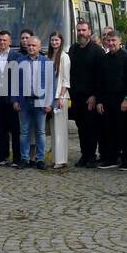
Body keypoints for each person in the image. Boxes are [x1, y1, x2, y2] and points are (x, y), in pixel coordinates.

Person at [95, 29, 127, 170]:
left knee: (123, 130)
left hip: (121, 99)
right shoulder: (104, 59)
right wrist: (99, 101)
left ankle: (125, 160)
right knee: (109, 130)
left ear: (120, 41)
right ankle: (111, 158)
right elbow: (99, 82)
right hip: (107, 99)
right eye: (109, 40)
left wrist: (126, 99)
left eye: (114, 40)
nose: (111, 43)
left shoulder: (126, 58)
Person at [13, 34, 54, 168]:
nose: (31, 47)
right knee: (24, 132)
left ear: (39, 47)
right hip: (24, 101)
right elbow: (14, 83)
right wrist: (15, 100)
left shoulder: (47, 62)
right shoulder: (19, 61)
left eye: (34, 45)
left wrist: (49, 103)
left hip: (40, 101)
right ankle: (24, 158)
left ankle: (40, 159)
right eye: (29, 45)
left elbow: (51, 84)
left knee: (40, 132)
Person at [68, 21, 104, 167]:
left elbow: (101, 76)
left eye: (83, 30)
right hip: (76, 96)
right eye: (79, 30)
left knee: (91, 127)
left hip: (91, 97)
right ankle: (84, 154)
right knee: (81, 127)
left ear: (89, 31)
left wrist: (95, 95)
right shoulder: (73, 49)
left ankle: (91, 156)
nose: (81, 33)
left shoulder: (97, 51)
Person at [0, 31, 21, 166]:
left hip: (12, 99)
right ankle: (2, 156)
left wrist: (17, 98)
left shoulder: (16, 56)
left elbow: (20, 79)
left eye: (4, 40)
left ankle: (17, 158)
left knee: (15, 129)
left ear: (10, 42)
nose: (2, 42)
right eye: (0, 40)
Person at [48, 31, 71, 169]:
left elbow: (66, 80)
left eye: (56, 40)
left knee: (60, 129)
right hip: (51, 97)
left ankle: (61, 159)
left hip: (60, 97)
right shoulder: (50, 56)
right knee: (53, 128)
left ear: (61, 41)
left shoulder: (64, 57)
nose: (54, 42)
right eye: (52, 40)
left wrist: (62, 97)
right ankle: (55, 158)